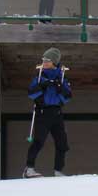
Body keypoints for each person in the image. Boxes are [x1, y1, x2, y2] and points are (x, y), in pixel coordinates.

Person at [24, 47, 72, 178]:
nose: (44, 62)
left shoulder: (62, 77)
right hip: (42, 112)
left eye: (47, 60)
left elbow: (67, 97)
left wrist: (58, 86)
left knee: (62, 143)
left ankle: (58, 170)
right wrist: (42, 87)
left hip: (56, 113)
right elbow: (31, 93)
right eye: (43, 60)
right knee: (38, 141)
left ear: (54, 62)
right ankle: (29, 168)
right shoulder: (40, 76)